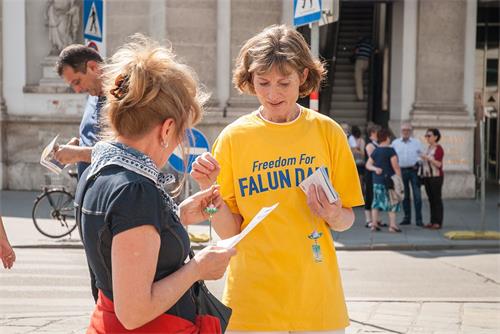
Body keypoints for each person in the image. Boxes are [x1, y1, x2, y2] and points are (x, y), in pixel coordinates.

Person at [191, 25, 364, 333]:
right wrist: (209, 192)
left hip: (316, 302)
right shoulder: (233, 139)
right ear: (250, 80)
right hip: (252, 303)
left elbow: (347, 220)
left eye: (284, 82)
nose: (273, 93)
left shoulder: (327, 133)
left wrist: (334, 214)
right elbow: (230, 232)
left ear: (303, 78)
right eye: (263, 82)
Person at [77, 35, 235, 333]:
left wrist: (179, 216)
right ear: (167, 128)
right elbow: (134, 312)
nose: (179, 141)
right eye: (182, 132)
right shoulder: (135, 191)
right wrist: (198, 269)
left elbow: (118, 245)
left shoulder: (98, 172)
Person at [55, 44, 105, 179]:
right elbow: (99, 141)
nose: (77, 90)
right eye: (72, 85)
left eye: (77, 82)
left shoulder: (122, 99)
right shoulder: (92, 96)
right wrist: (79, 143)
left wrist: (78, 153)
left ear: (93, 67)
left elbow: (125, 153)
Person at [366, 128, 402, 233]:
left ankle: (374, 224)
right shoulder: (390, 151)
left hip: (377, 181)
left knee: (376, 202)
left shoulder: (376, 150)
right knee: (392, 202)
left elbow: (368, 165)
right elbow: (396, 167)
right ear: (387, 138)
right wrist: (399, 180)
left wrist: (375, 169)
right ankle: (392, 225)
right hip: (389, 182)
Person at [392, 122, 424, 227]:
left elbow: (421, 155)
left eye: (408, 130)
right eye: (404, 130)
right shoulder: (395, 143)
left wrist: (418, 162)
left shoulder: (417, 142)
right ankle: (407, 218)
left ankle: (419, 219)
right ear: (401, 131)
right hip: (401, 171)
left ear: (411, 131)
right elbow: (393, 157)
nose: (406, 132)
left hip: (414, 171)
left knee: (417, 196)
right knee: (405, 196)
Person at [421, 128, 445, 229]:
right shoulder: (428, 148)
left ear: (436, 137)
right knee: (431, 199)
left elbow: (439, 164)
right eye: (426, 136)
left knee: (436, 199)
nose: (427, 138)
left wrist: (428, 158)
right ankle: (432, 220)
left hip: (436, 176)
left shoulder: (438, 148)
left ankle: (438, 222)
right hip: (427, 176)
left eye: (429, 136)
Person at [363, 123, 382, 228]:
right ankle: (368, 219)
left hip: (376, 172)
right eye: (377, 132)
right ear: (372, 133)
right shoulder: (370, 145)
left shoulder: (378, 144)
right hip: (370, 173)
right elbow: (373, 158)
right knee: (370, 195)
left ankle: (376, 219)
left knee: (377, 196)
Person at [353, 36, 374, 101]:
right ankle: (362, 91)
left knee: (358, 78)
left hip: (359, 61)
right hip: (367, 62)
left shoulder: (360, 44)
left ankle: (360, 97)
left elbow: (356, 52)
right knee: (362, 77)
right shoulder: (370, 45)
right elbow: (374, 51)